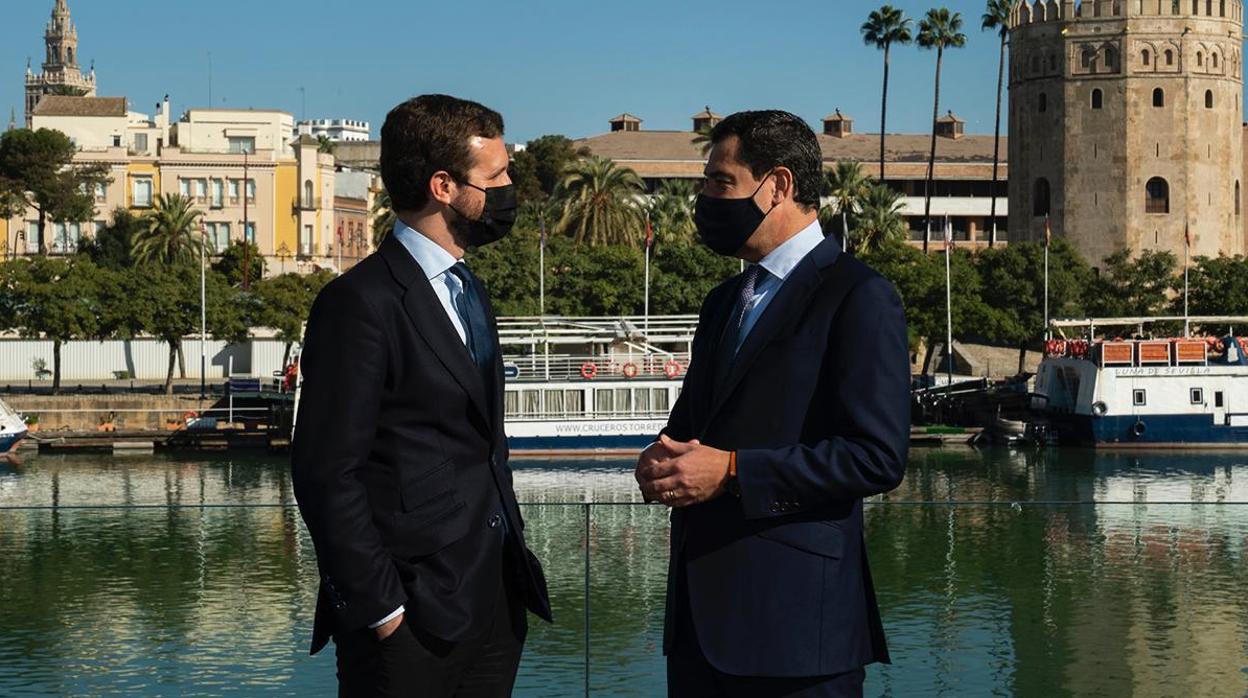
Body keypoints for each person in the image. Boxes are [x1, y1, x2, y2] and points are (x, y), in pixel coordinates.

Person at [635, 110, 910, 697]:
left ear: (778, 185)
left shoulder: (859, 296)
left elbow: (876, 457)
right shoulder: (724, 300)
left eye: (720, 182)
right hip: (696, 631)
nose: (705, 197)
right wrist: (661, 460)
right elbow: (694, 427)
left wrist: (734, 471)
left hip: (797, 637)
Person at [292, 94, 551, 697]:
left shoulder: (469, 290)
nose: (511, 187)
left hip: (492, 603)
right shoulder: (358, 303)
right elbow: (327, 472)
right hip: (408, 620)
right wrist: (383, 611)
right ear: (443, 185)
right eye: (497, 176)